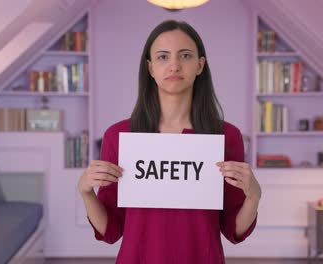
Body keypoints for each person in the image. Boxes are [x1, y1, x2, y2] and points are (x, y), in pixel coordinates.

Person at [78, 19, 262, 264]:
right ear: (150, 68)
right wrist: (86, 192)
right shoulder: (119, 136)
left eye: (185, 56)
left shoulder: (226, 136)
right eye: (163, 57)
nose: (174, 65)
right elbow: (111, 230)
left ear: (200, 65)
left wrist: (254, 196)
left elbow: (233, 230)